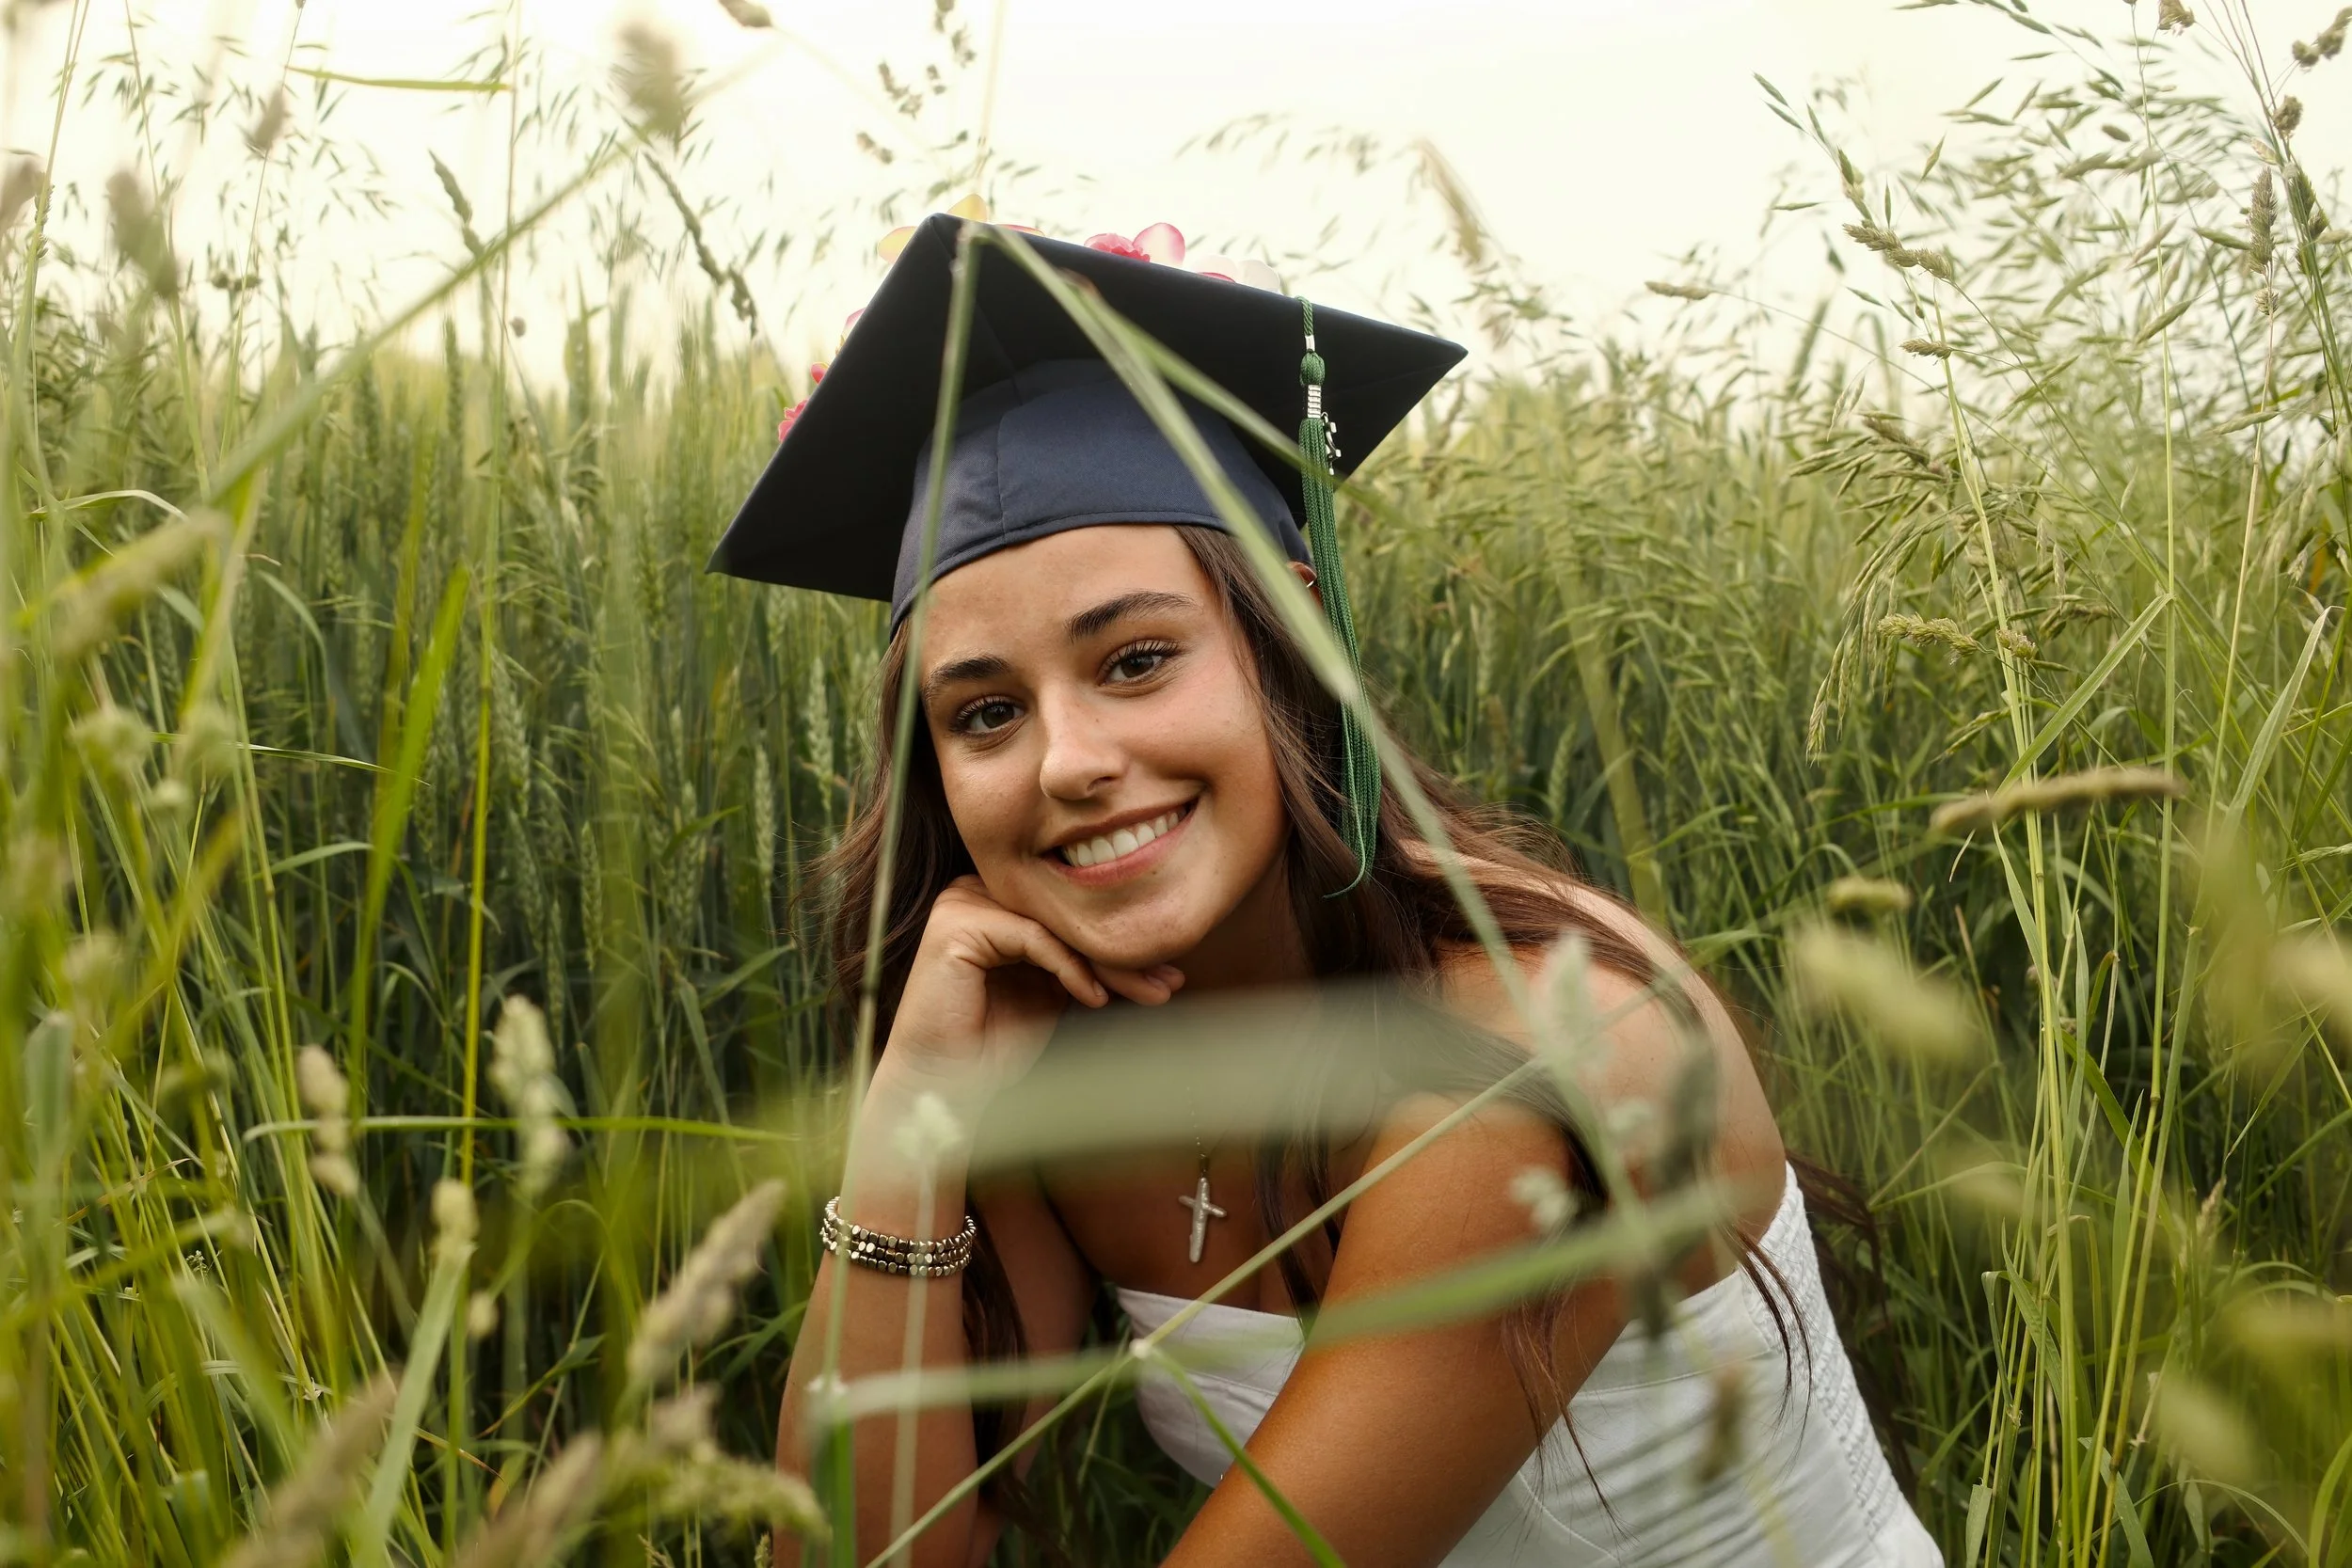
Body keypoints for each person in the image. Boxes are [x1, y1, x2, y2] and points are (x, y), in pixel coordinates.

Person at [712, 213, 1942, 1567]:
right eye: (987, 712)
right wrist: (911, 1126)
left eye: (1134, 661)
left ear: (1290, 630)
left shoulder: (1527, 1052)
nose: (1069, 761)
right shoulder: (1056, 1060)